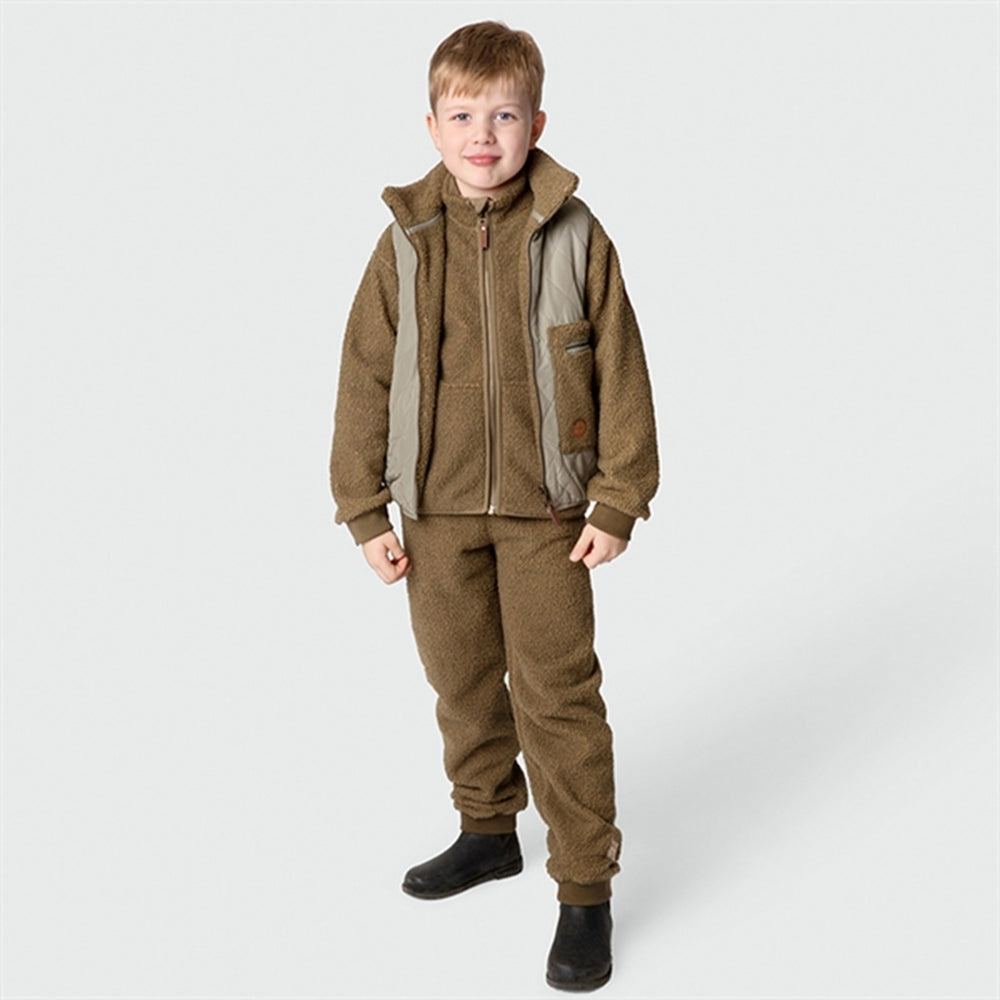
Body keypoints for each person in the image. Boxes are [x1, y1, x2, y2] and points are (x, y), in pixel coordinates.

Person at [329, 20, 658, 992]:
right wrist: (364, 510)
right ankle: (486, 828)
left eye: (505, 115)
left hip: (549, 513)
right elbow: (364, 375)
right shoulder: (405, 241)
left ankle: (584, 887)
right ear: (432, 127)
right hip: (433, 513)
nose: (484, 135)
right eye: (464, 116)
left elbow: (622, 369)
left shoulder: (576, 234)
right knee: (463, 680)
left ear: (536, 123)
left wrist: (618, 496)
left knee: (558, 695)